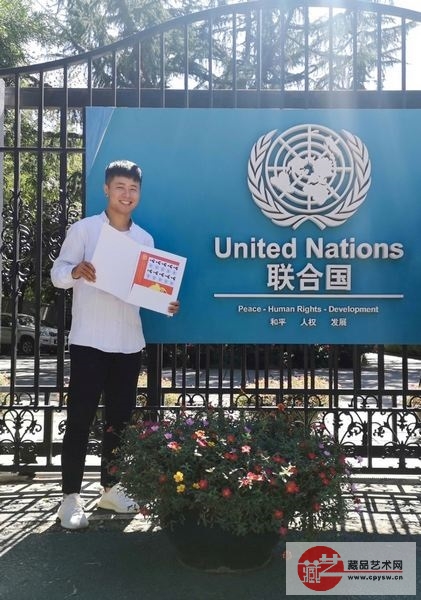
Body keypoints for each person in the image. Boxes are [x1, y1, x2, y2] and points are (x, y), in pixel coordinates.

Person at [51, 159, 179, 530]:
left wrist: (165, 302)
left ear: (139, 194)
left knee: (120, 421)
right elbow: (57, 274)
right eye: (120, 187)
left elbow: (148, 290)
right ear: (106, 189)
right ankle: (70, 497)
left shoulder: (144, 240)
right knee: (80, 418)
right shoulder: (85, 230)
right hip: (89, 340)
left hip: (128, 342)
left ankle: (111, 487)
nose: (127, 194)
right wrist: (76, 271)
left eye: (133, 189)